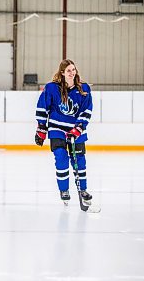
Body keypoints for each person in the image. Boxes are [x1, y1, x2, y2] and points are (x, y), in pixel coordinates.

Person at [34, 59, 94, 205]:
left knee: (79, 160)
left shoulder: (84, 89)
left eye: (73, 70)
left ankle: (83, 189)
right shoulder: (52, 88)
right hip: (57, 128)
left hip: (76, 129)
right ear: (62, 72)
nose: (72, 73)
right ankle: (64, 190)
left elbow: (86, 110)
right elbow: (42, 107)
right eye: (68, 70)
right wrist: (41, 128)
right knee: (61, 157)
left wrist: (78, 128)